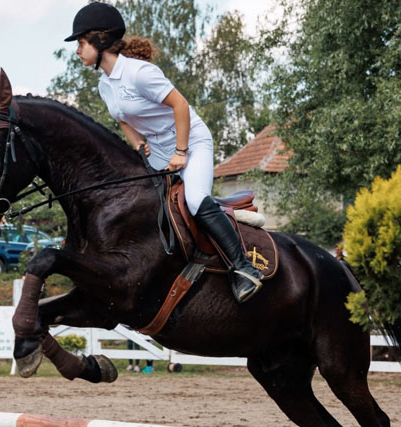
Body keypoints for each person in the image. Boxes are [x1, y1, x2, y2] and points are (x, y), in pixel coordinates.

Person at [65, 2, 262, 303]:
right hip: (158, 150)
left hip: (191, 141)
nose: (77, 50)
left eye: (80, 43)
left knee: (195, 200)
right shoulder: (105, 85)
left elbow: (180, 106)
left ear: (100, 40)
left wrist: (182, 151)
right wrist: (136, 144)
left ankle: (244, 268)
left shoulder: (140, 73)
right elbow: (122, 118)